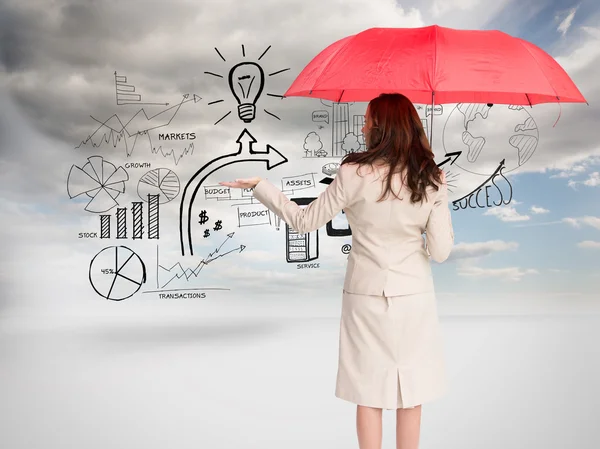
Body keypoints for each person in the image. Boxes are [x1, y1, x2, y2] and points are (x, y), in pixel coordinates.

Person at [220, 92, 454, 449]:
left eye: (368, 120)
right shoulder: (431, 179)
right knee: (412, 392)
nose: (363, 125)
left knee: (368, 391)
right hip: (414, 296)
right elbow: (440, 251)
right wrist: (434, 201)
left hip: (364, 294)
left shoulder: (352, 174)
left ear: (382, 127)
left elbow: (303, 221)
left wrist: (261, 187)